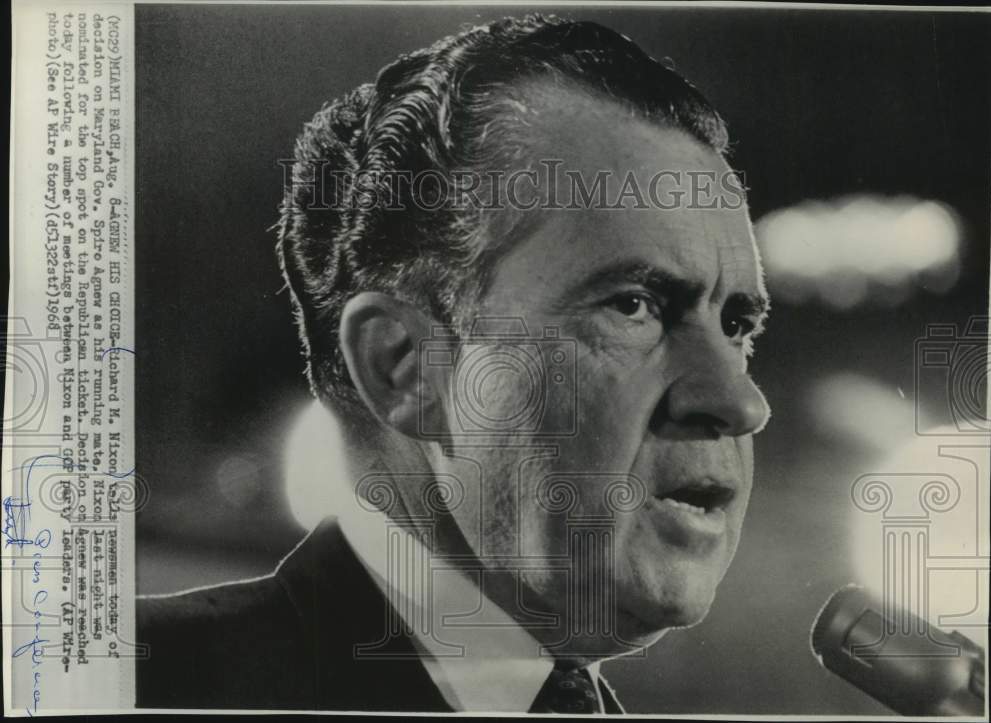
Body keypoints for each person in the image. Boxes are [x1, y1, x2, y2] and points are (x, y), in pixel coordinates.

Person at [137, 13, 770, 713]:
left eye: (736, 325)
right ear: (404, 366)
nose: (740, 402)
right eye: (632, 305)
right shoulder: (134, 683)